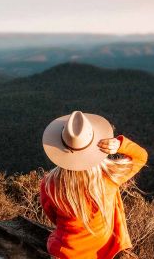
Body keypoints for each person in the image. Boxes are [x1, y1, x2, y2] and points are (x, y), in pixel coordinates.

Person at [40, 110, 148, 259]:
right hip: (102, 250)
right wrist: (119, 145)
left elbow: (52, 216)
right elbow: (141, 157)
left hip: (63, 251)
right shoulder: (110, 177)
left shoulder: (48, 183)